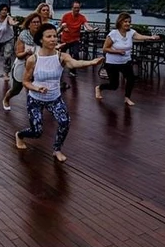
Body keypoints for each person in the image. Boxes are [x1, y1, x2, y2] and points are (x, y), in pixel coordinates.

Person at [15, 23, 104, 162]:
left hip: (54, 98)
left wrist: (91, 63)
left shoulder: (61, 57)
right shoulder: (33, 59)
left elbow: (75, 63)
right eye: (49, 36)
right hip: (35, 99)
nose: (53, 39)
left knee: (64, 122)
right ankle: (19, 135)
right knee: (37, 132)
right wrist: (36, 88)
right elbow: (25, 82)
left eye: (55, 36)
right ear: (41, 40)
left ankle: (57, 149)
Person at [94, 12, 160, 106]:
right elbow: (105, 48)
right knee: (114, 85)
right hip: (112, 63)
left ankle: (127, 98)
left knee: (131, 79)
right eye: (125, 21)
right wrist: (118, 51)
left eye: (129, 22)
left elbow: (140, 36)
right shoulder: (113, 34)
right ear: (120, 22)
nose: (128, 24)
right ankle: (99, 88)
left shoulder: (131, 32)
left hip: (125, 61)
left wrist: (151, 37)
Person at [1, 11, 42, 111]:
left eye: (38, 22)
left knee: (33, 89)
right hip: (22, 66)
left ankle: (32, 109)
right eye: (34, 22)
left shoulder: (42, 36)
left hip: (36, 67)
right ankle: (6, 99)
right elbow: (18, 55)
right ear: (29, 24)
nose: (36, 24)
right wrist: (26, 53)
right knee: (16, 89)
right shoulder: (23, 36)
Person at [58, 1, 97, 74]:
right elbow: (60, 25)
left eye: (78, 8)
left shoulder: (82, 17)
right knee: (61, 55)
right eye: (75, 8)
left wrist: (91, 29)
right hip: (65, 39)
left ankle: (73, 71)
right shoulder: (66, 16)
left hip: (75, 39)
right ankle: (58, 69)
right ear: (72, 8)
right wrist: (63, 27)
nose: (77, 9)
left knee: (76, 54)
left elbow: (87, 25)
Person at [0, 4, 17, 79]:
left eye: (6, 10)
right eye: (3, 10)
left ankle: (6, 74)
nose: (4, 11)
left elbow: (10, 22)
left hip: (8, 39)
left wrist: (13, 23)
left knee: (7, 55)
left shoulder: (8, 18)